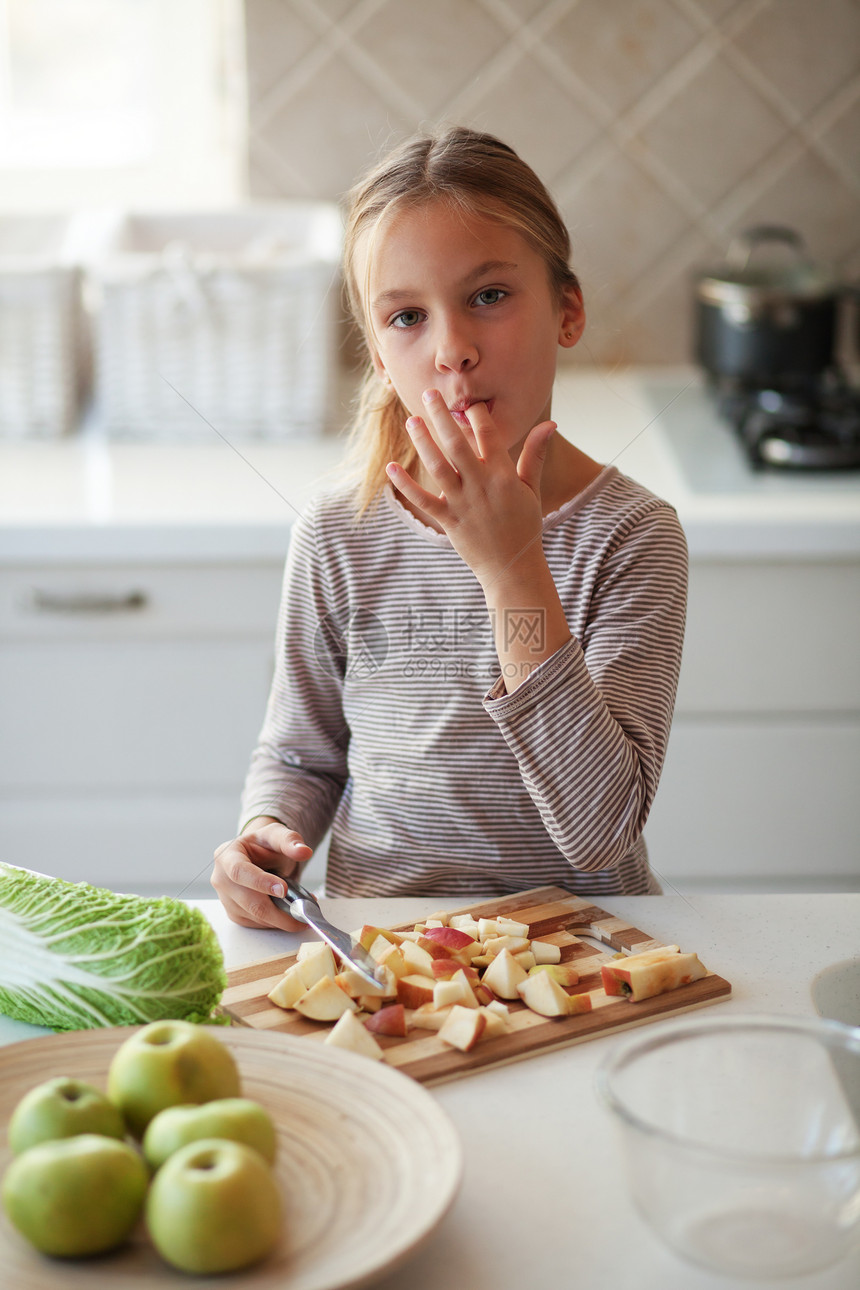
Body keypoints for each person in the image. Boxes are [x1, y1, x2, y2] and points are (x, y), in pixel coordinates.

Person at [211, 126, 688, 930]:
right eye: (407, 317)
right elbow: (303, 752)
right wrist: (263, 838)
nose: (453, 350)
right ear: (377, 349)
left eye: (489, 297)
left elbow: (602, 833)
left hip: (581, 952)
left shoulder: (633, 537)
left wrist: (512, 570)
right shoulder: (337, 531)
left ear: (567, 310)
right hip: (390, 944)